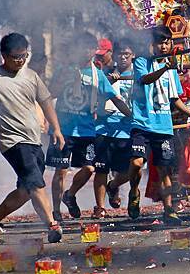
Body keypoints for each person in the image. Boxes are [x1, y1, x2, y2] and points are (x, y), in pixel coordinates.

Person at [0, 33, 65, 244]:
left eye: (24, 56)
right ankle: (52, 225)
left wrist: (57, 129)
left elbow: (46, 102)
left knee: (26, 191)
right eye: (16, 57)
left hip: (33, 139)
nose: (20, 60)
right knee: (35, 183)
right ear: (4, 56)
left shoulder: (31, 76)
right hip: (12, 142)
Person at [50, 33, 131, 220]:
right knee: (60, 171)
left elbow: (115, 99)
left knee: (90, 168)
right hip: (64, 130)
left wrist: (132, 117)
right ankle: (56, 211)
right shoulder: (64, 70)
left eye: (89, 48)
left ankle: (69, 195)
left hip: (86, 130)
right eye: (81, 47)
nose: (85, 52)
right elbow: (50, 93)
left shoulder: (98, 74)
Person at [125, 26, 190, 225]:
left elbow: (175, 99)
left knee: (165, 170)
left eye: (166, 42)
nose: (163, 46)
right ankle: (134, 191)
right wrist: (165, 67)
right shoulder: (141, 61)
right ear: (152, 45)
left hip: (163, 127)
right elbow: (146, 80)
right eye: (159, 42)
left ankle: (168, 209)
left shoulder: (171, 70)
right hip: (142, 124)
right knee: (137, 162)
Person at [95, 39, 135, 217]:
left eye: (127, 54)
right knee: (101, 168)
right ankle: (100, 207)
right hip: (105, 127)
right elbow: (98, 100)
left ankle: (113, 186)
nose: (123, 58)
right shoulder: (105, 74)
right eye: (121, 54)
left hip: (128, 129)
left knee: (132, 168)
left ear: (133, 55)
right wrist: (109, 83)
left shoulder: (139, 74)